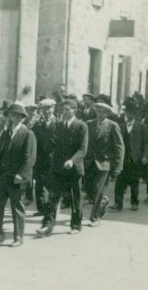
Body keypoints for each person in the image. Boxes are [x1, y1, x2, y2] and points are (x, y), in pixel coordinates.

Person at [0, 101, 37, 247]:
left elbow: (30, 158)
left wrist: (21, 175)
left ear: (22, 117)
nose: (13, 117)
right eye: (11, 115)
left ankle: (18, 237)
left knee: (17, 207)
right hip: (1, 176)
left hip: (16, 177)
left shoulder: (28, 134)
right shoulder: (6, 132)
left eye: (16, 115)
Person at [37, 97, 88, 236]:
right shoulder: (58, 126)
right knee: (53, 197)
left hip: (74, 169)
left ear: (74, 110)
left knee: (74, 197)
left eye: (67, 109)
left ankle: (76, 225)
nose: (64, 112)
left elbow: (83, 149)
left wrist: (72, 161)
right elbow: (54, 145)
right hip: (58, 168)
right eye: (63, 110)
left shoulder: (81, 126)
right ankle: (47, 226)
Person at [83, 97, 125, 227]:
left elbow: (119, 146)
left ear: (107, 113)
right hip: (89, 162)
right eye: (98, 111)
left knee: (97, 190)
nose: (100, 114)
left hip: (104, 163)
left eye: (103, 112)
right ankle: (103, 200)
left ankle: (94, 218)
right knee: (88, 189)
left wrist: (118, 166)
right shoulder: (89, 124)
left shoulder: (113, 125)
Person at [113, 98, 148, 211]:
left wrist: (145, 156)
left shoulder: (142, 127)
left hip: (136, 158)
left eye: (131, 113)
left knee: (134, 181)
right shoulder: (121, 127)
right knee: (119, 181)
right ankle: (118, 203)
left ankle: (134, 202)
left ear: (135, 114)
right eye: (127, 113)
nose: (129, 115)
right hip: (123, 158)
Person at [30, 98, 57, 219]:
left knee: (51, 184)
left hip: (52, 158)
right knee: (39, 183)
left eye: (49, 108)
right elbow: (32, 138)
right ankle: (41, 208)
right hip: (40, 157)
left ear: (53, 108)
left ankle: (50, 209)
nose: (47, 111)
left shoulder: (59, 123)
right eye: (44, 109)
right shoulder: (37, 124)